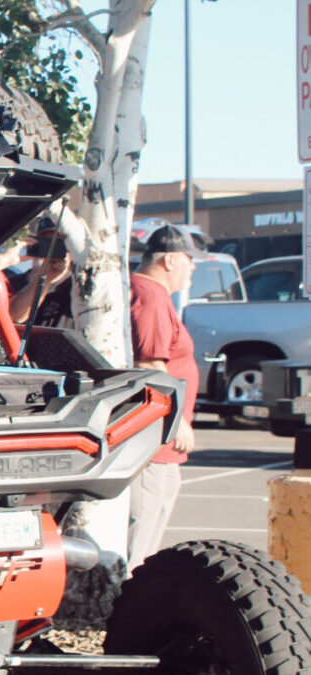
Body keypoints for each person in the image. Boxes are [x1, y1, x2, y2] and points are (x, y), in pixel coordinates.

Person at [126, 224, 200, 574]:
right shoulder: (150, 296)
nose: (193, 267)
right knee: (141, 534)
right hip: (152, 438)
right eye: (190, 259)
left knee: (152, 524)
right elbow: (149, 365)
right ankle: (127, 605)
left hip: (159, 443)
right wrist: (178, 419)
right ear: (170, 260)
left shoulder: (150, 293)